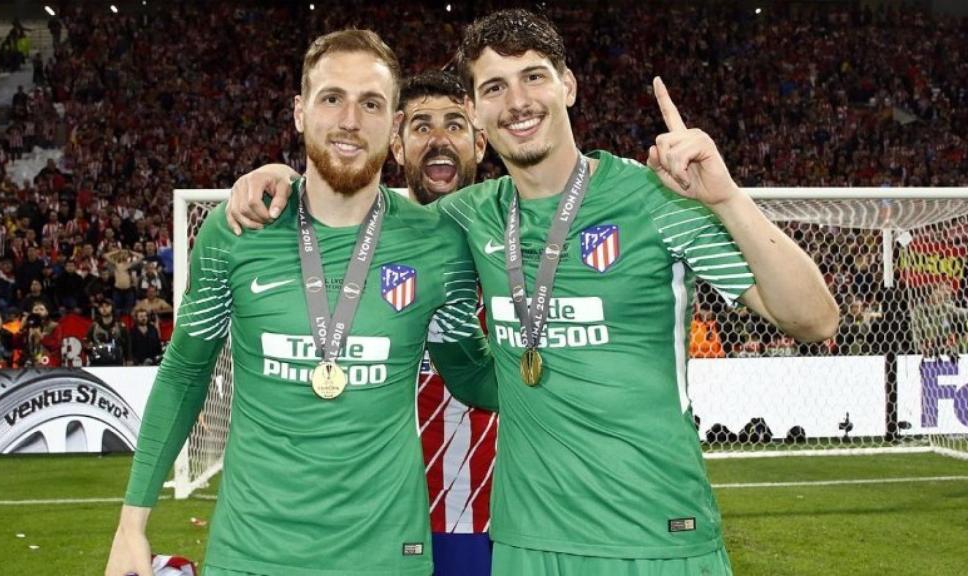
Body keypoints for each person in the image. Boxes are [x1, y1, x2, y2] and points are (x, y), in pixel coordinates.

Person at [229, 10, 839, 575]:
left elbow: (814, 319)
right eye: (494, 87)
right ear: (476, 109)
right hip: (525, 544)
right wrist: (284, 177)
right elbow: (358, 212)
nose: (517, 102)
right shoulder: (472, 217)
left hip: (657, 534)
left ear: (568, 85)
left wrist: (729, 198)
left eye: (533, 77)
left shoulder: (656, 199)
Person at [106, 29, 496, 576]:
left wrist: (580, 345)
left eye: (371, 104)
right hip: (252, 553)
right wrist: (131, 526)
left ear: (394, 125)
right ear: (299, 111)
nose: (350, 121)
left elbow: (473, 376)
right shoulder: (236, 229)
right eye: (331, 98)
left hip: (387, 556)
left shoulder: (437, 244)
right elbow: (183, 374)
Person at [227, 70, 494, 575]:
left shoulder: (517, 234)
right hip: (382, 519)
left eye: (455, 125)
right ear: (395, 144)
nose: (439, 140)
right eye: (420, 127)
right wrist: (277, 176)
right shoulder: (356, 239)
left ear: (481, 142)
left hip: (504, 510)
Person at [86, 298, 128, 366]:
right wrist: (88, 345)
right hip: (97, 362)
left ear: (112, 307)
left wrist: (129, 359)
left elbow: (127, 344)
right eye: (101, 306)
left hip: (116, 361)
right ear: (99, 309)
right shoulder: (94, 326)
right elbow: (86, 341)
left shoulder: (120, 325)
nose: (104, 309)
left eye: (107, 306)